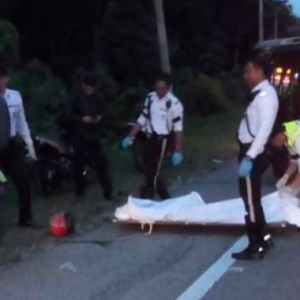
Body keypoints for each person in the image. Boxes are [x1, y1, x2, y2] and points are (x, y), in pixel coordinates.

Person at [231, 57, 279, 260]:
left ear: (259, 72)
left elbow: (264, 131)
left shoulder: (266, 97)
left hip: (253, 153)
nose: (245, 75)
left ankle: (255, 245)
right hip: (249, 151)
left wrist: (249, 157)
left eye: (248, 71)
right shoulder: (259, 95)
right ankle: (265, 237)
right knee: (252, 199)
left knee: (250, 201)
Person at [122, 73, 184, 200]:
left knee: (152, 174)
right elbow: (143, 117)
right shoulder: (150, 98)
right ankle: (167, 199)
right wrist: (130, 136)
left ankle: (147, 199)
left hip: (163, 140)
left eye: (162, 88)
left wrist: (178, 150)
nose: (159, 91)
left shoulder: (174, 104)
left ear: (168, 88)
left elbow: (178, 129)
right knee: (149, 169)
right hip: (149, 138)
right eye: (157, 88)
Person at [0, 65, 39, 228]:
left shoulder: (14, 97)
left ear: (6, 79)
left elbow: (22, 122)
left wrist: (29, 145)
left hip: (11, 146)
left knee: (23, 180)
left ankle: (25, 218)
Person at [68, 72, 113, 201]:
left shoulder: (97, 97)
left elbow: (104, 110)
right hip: (79, 135)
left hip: (93, 133)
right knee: (78, 164)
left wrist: (99, 117)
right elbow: (68, 115)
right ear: (83, 86)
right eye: (88, 88)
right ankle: (80, 192)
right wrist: (82, 119)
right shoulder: (76, 97)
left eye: (92, 88)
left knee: (101, 162)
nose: (90, 90)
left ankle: (107, 192)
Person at [272, 120, 300, 199]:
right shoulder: (288, 134)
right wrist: (285, 177)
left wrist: (292, 187)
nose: (274, 144)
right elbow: (294, 161)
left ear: (279, 135)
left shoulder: (298, 140)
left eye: (273, 140)